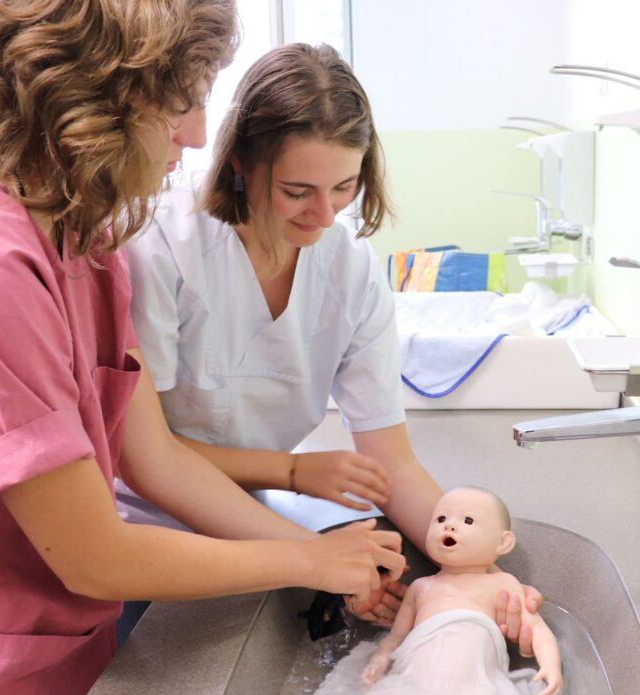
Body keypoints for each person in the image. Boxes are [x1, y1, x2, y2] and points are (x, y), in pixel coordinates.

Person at [0, 2, 406, 695]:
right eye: (183, 102)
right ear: (97, 94)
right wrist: (305, 557)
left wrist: (327, 562)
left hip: (58, 649)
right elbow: (95, 555)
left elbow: (156, 459)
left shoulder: (81, 240)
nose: (199, 132)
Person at [119, 41, 446, 626]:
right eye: (297, 192)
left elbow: (391, 465)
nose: (325, 215)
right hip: (147, 532)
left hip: (255, 522)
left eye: (344, 187)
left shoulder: (351, 268)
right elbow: (146, 456)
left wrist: (465, 556)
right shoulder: (161, 245)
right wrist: (297, 495)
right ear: (241, 161)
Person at [306, 487, 563, 695]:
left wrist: (551, 665)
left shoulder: (502, 583)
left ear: (503, 542)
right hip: (414, 678)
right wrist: (380, 658)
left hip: (472, 683)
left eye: (468, 521)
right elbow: (397, 636)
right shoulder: (421, 587)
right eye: (440, 518)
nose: (449, 525)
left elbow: (537, 628)